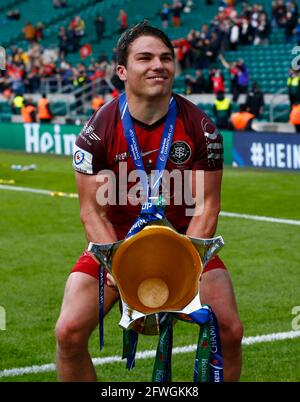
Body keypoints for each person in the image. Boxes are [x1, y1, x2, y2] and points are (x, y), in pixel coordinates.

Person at [55, 22, 243, 382]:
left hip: (185, 240)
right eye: (146, 58)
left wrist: (183, 267)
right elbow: (90, 211)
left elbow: (207, 208)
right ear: (122, 71)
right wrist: (117, 265)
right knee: (68, 333)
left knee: (231, 330)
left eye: (166, 58)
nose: (158, 65)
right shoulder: (96, 132)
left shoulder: (202, 128)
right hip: (119, 242)